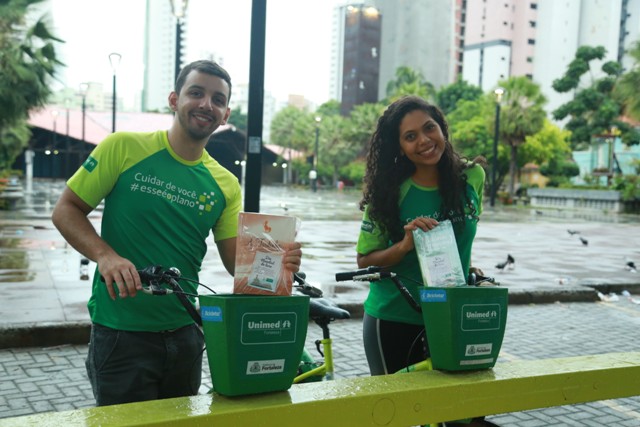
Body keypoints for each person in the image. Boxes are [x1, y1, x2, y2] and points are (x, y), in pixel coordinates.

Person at [51, 60, 302, 406]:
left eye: (217, 99)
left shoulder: (225, 183)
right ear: (173, 99)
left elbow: (236, 265)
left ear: (226, 114)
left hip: (187, 333)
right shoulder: (122, 147)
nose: (206, 105)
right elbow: (65, 210)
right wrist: (105, 255)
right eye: (196, 93)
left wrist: (280, 264)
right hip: (122, 332)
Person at [356, 95, 492, 426]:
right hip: (395, 317)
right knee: (396, 416)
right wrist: (404, 245)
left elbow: (463, 234)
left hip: (452, 318)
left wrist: (468, 267)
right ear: (399, 147)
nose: (424, 141)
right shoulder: (391, 192)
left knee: (462, 414)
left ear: (442, 128)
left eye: (429, 128)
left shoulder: (472, 178)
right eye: (410, 136)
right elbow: (365, 260)